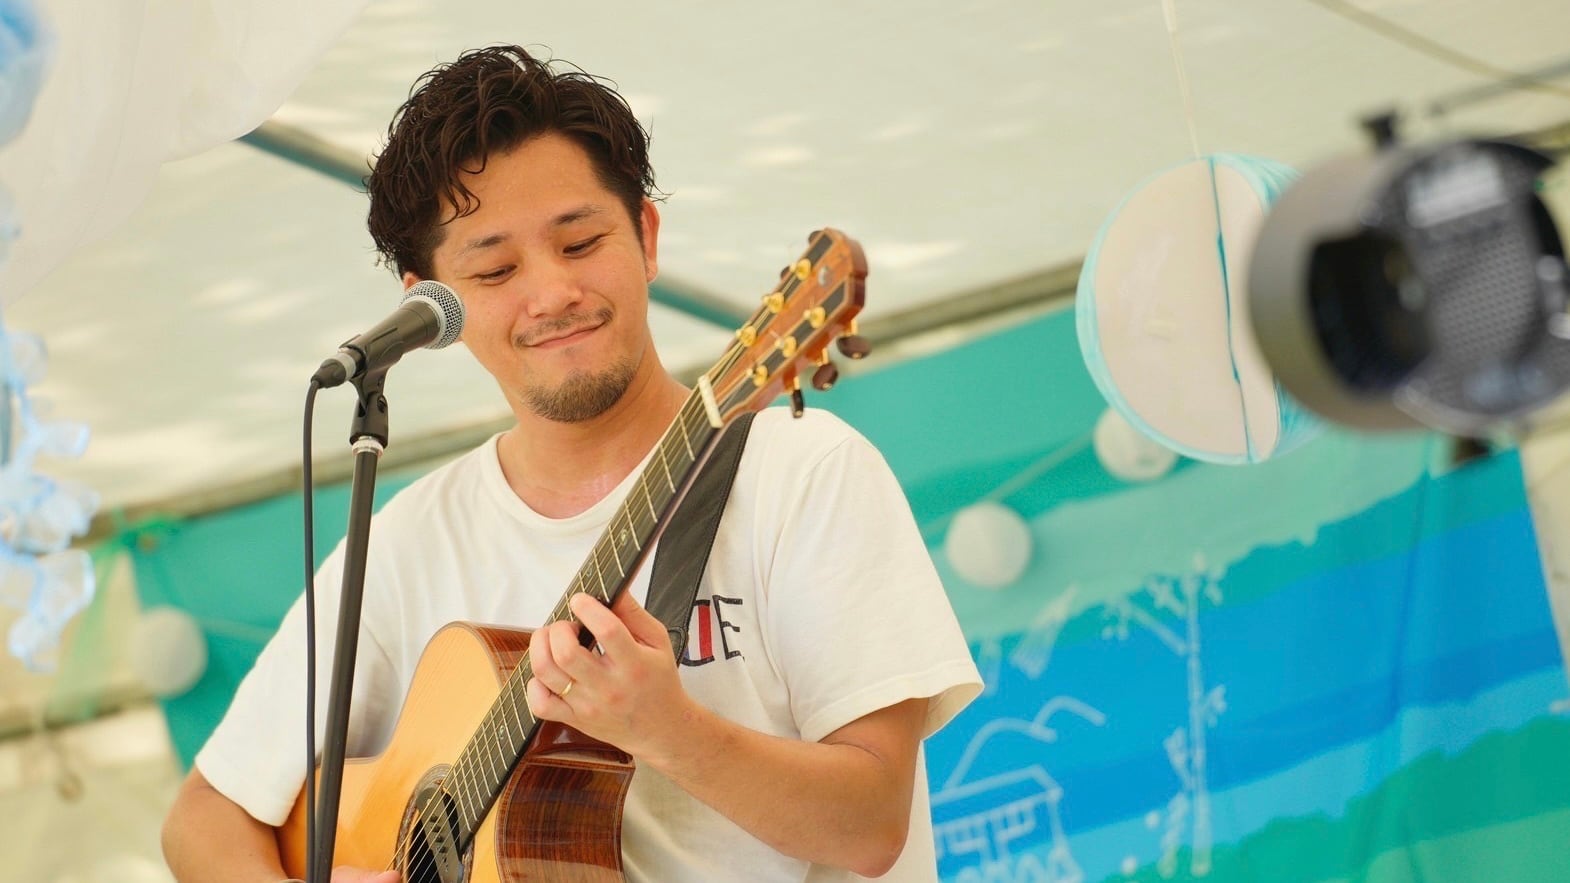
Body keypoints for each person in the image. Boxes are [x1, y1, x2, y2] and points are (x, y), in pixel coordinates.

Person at [161, 45, 981, 883]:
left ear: (646, 237)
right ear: (431, 306)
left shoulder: (804, 474)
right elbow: (204, 817)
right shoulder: (407, 544)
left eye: (581, 242)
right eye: (495, 269)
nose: (552, 293)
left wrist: (670, 729)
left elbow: (871, 825)